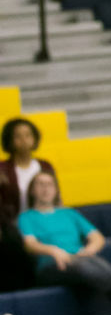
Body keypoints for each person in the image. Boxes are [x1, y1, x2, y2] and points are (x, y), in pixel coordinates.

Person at [18, 170, 111, 315]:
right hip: (50, 265)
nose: (46, 188)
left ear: (56, 190)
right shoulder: (26, 217)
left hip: (79, 257)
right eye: (40, 184)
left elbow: (97, 237)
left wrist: (88, 250)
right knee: (81, 267)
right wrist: (53, 251)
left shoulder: (69, 213)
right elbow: (30, 244)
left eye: (50, 184)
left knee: (100, 264)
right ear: (32, 190)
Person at [1, 117, 59, 292]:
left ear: (34, 138)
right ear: (10, 141)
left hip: (42, 221)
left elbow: (57, 197)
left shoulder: (44, 165)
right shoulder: (3, 169)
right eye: (18, 136)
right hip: (14, 227)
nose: (24, 140)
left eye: (28, 135)